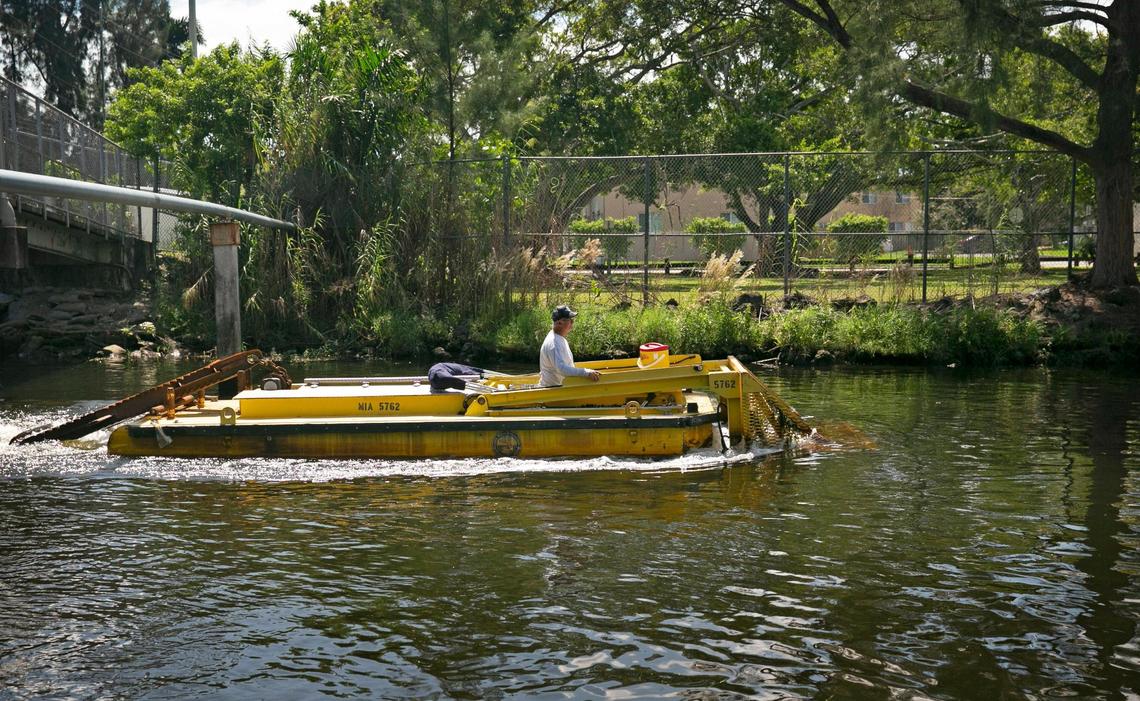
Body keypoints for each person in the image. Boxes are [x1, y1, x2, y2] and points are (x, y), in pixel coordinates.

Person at [539, 305, 601, 387]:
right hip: (553, 390)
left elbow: (567, 367)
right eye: (570, 320)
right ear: (560, 323)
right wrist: (586, 372)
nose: (572, 323)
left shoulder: (559, 338)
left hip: (562, 387)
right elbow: (562, 369)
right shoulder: (553, 343)